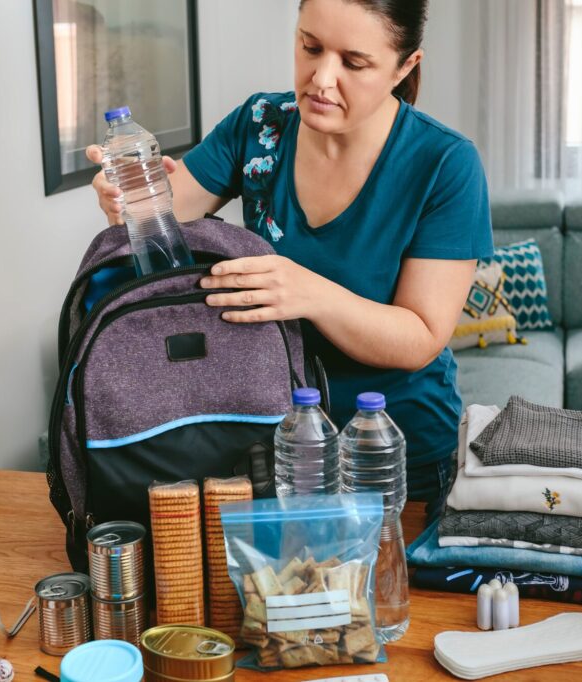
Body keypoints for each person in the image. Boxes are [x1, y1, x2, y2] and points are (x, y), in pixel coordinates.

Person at [87, 0, 493, 531]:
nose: (322, 79)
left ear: (405, 66)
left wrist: (309, 292)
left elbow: (420, 335)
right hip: (274, 453)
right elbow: (161, 214)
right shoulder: (260, 125)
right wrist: (128, 203)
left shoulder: (443, 164)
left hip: (396, 460)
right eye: (310, 47)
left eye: (354, 62)